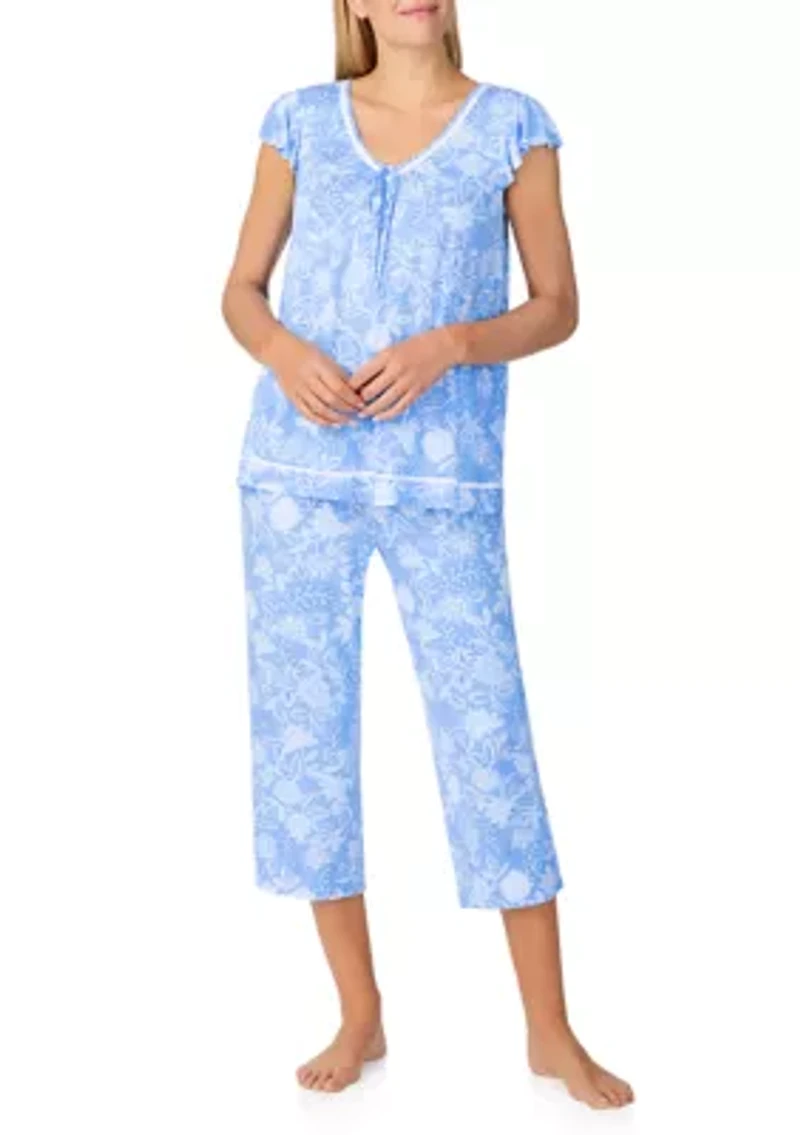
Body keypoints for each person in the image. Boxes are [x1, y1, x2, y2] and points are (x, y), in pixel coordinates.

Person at [221, 0, 633, 1109]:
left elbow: (557, 306)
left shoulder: (514, 127)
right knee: (306, 743)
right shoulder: (298, 122)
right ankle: (359, 1011)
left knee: (487, 735)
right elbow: (239, 291)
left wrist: (454, 342)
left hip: (444, 482)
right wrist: (283, 351)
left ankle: (548, 1029)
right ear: (351, 2)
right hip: (296, 478)